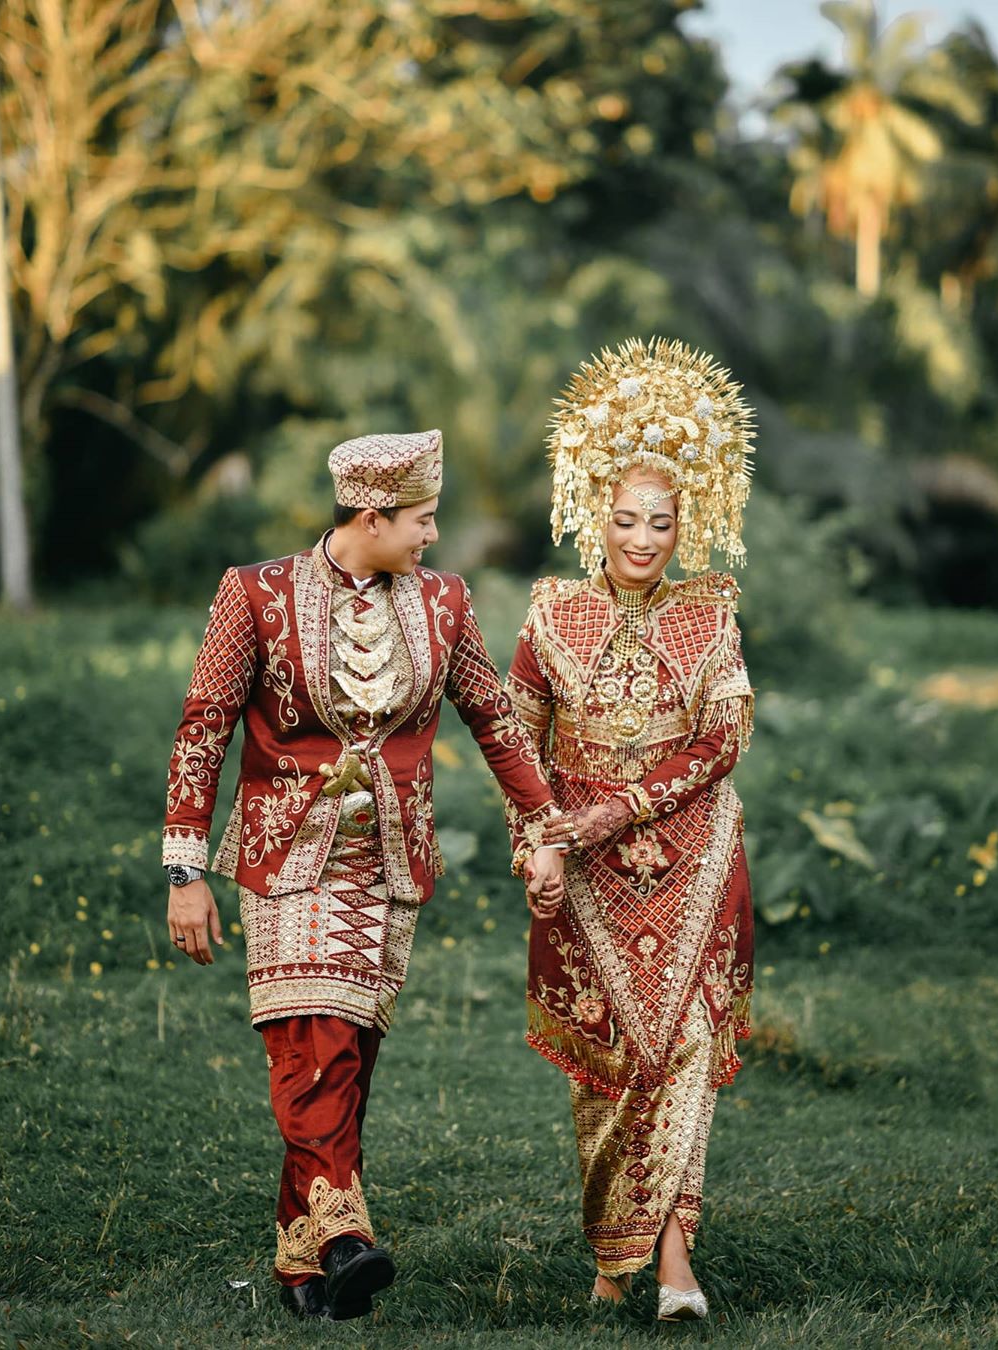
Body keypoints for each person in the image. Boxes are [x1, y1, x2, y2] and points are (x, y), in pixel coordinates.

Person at [161, 429, 569, 1321]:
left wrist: (544, 830)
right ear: (372, 515)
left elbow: (497, 723)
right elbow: (204, 729)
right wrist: (185, 868)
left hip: (387, 865)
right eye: (422, 520)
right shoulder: (255, 594)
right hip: (284, 860)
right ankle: (346, 1235)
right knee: (315, 1043)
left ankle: (304, 1269)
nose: (432, 536)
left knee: (346, 1057)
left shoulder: (445, 603)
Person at [505, 337, 756, 1323]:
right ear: (592, 517)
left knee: (682, 1053)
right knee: (611, 1069)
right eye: (624, 518)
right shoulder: (552, 613)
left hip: (694, 862)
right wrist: (537, 842)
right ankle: (616, 1260)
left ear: (686, 522)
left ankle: (675, 1268)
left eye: (660, 521)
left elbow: (727, 736)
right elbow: (516, 737)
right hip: (583, 873)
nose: (642, 538)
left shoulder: (711, 614)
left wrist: (625, 806)